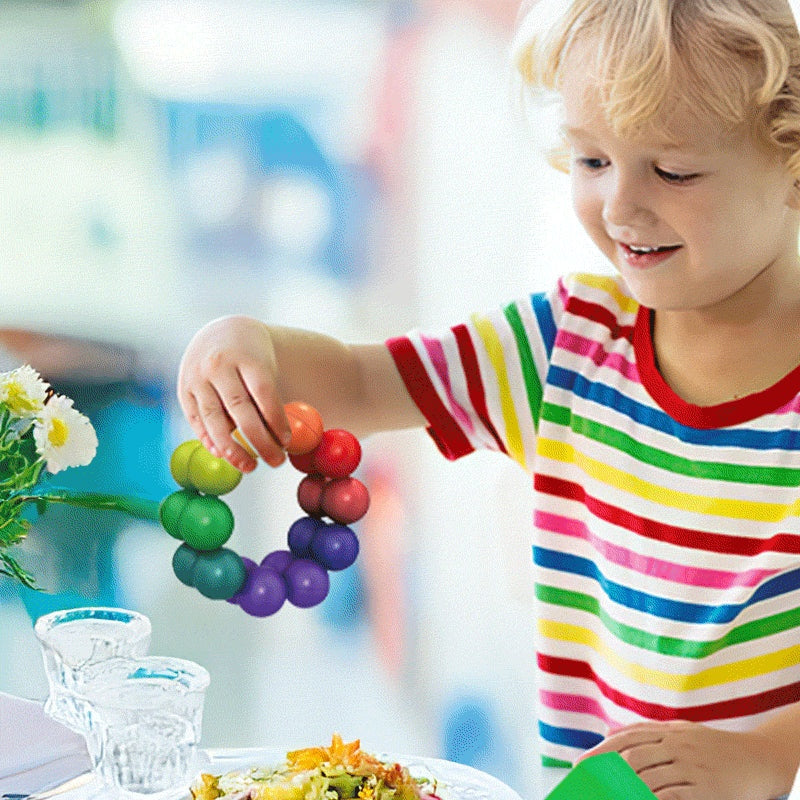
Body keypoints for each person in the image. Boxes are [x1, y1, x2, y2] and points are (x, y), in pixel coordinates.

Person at [176, 1, 800, 798]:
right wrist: (243, 343)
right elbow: (363, 381)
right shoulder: (564, 342)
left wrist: (769, 757)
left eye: (673, 171)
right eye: (592, 160)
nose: (619, 206)